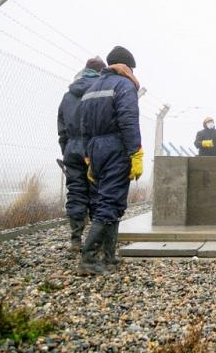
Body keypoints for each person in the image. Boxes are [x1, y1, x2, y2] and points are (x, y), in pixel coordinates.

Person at [78, 46, 143, 275]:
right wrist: (135, 152)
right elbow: (128, 120)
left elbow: (83, 125)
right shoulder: (124, 85)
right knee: (111, 203)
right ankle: (89, 259)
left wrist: (88, 156)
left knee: (104, 201)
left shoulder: (92, 87)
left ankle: (108, 258)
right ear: (126, 66)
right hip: (116, 148)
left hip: (96, 149)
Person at [57, 56, 105, 252]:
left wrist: (66, 150)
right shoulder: (101, 91)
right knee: (97, 192)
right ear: (102, 72)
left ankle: (76, 239)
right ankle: (95, 240)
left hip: (73, 149)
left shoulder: (68, 96)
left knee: (75, 191)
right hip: (95, 148)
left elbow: (61, 129)